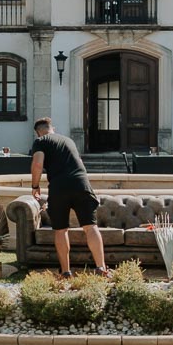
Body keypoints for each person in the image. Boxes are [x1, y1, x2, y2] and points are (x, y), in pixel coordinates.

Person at [28, 116, 109, 278]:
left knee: (60, 230)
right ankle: (101, 268)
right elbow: (80, 163)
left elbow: (38, 164)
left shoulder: (41, 141)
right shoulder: (68, 141)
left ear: (38, 132)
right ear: (53, 128)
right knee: (90, 227)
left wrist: (35, 186)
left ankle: (66, 272)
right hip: (81, 183)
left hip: (59, 186)